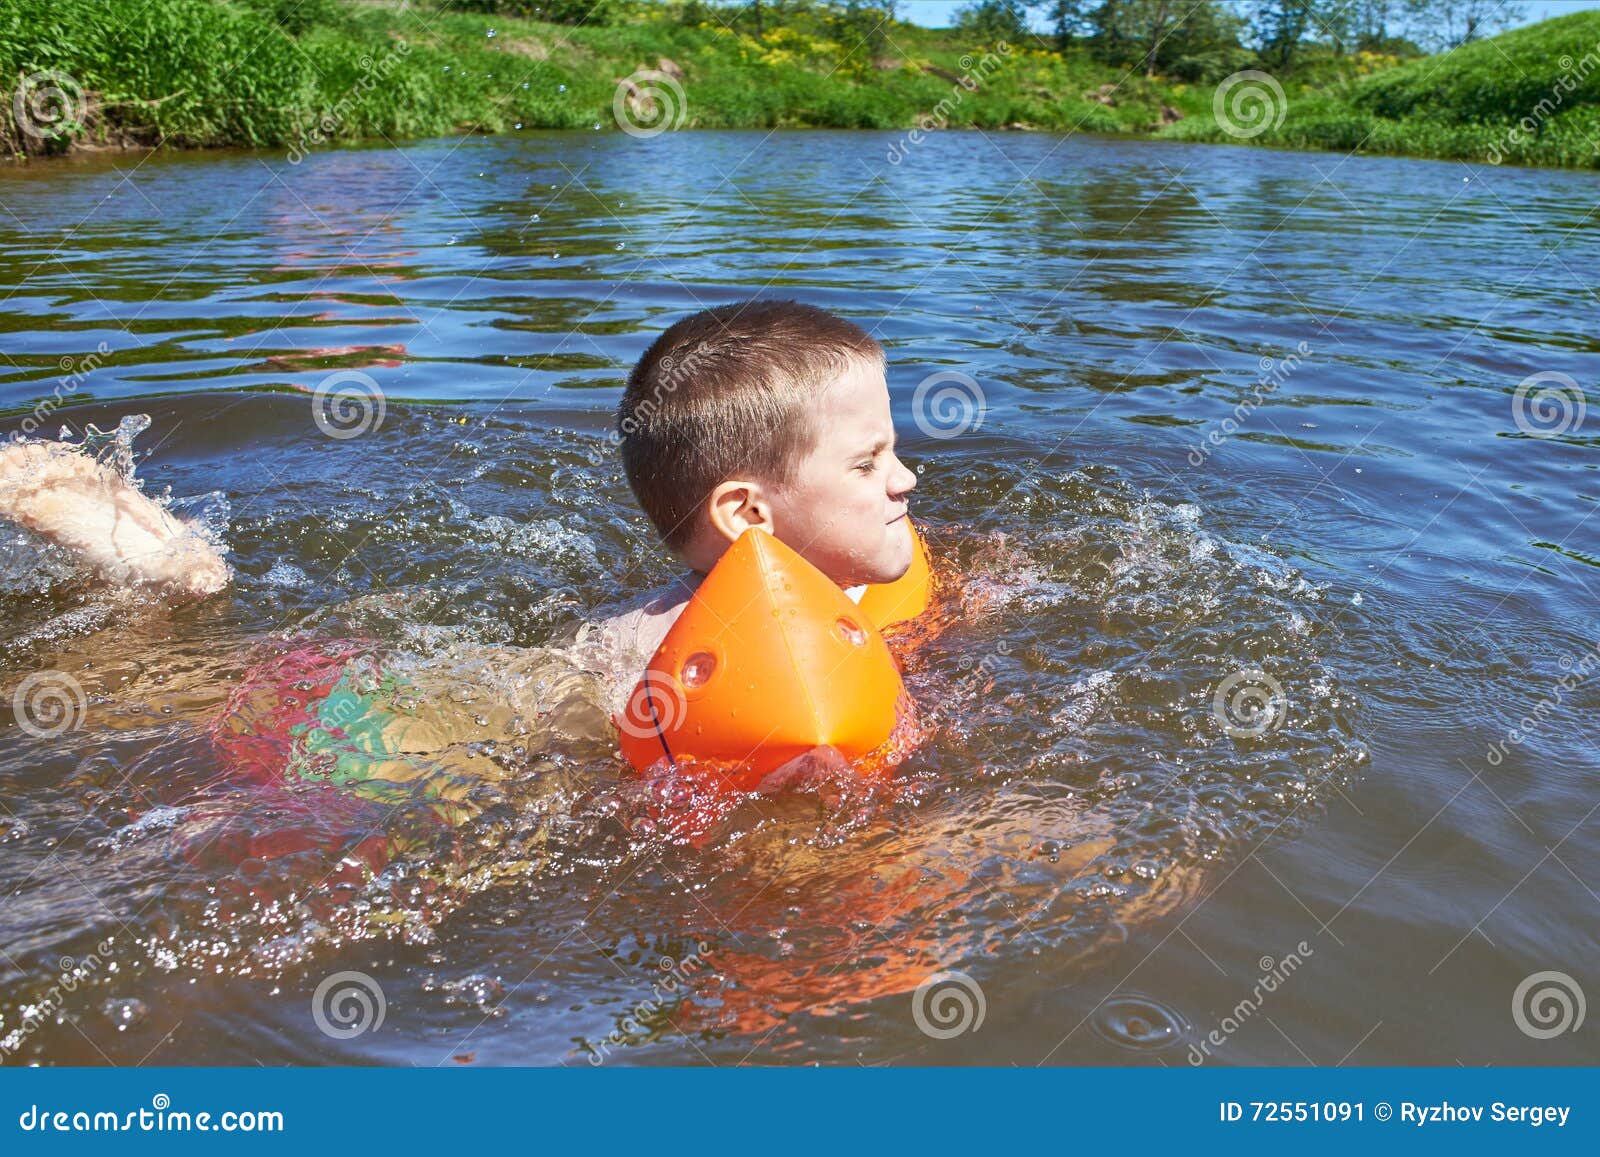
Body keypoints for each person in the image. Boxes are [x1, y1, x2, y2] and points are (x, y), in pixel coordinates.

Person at [0, 299, 921, 803]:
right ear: (748, 514)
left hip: (452, 683)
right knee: (178, 693)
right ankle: (156, 568)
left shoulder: (757, 593)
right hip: (396, 728)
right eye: (869, 460)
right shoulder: (717, 658)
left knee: (212, 655)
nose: (906, 480)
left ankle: (176, 574)